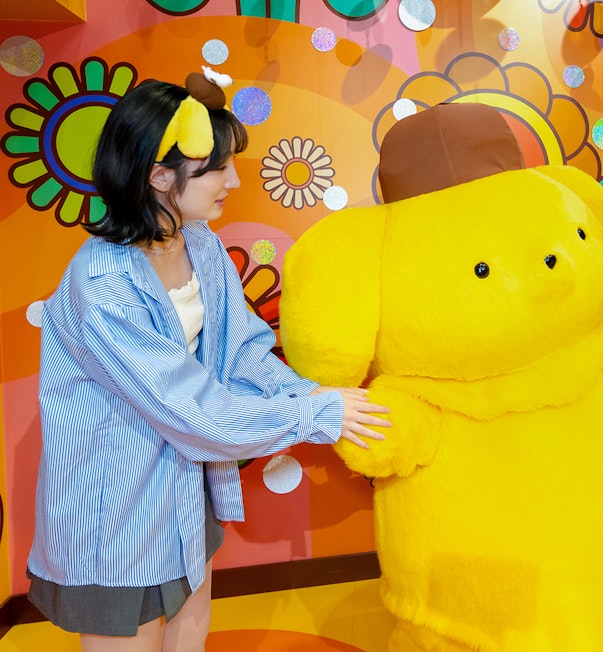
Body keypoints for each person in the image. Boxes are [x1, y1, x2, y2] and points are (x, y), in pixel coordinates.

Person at [26, 71, 391, 651]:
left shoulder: (198, 241)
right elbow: (192, 413)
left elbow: (241, 349)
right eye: (218, 168)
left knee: (192, 629)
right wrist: (316, 416)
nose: (235, 180)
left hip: (186, 488)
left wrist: (308, 396)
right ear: (159, 176)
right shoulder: (101, 285)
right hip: (118, 514)